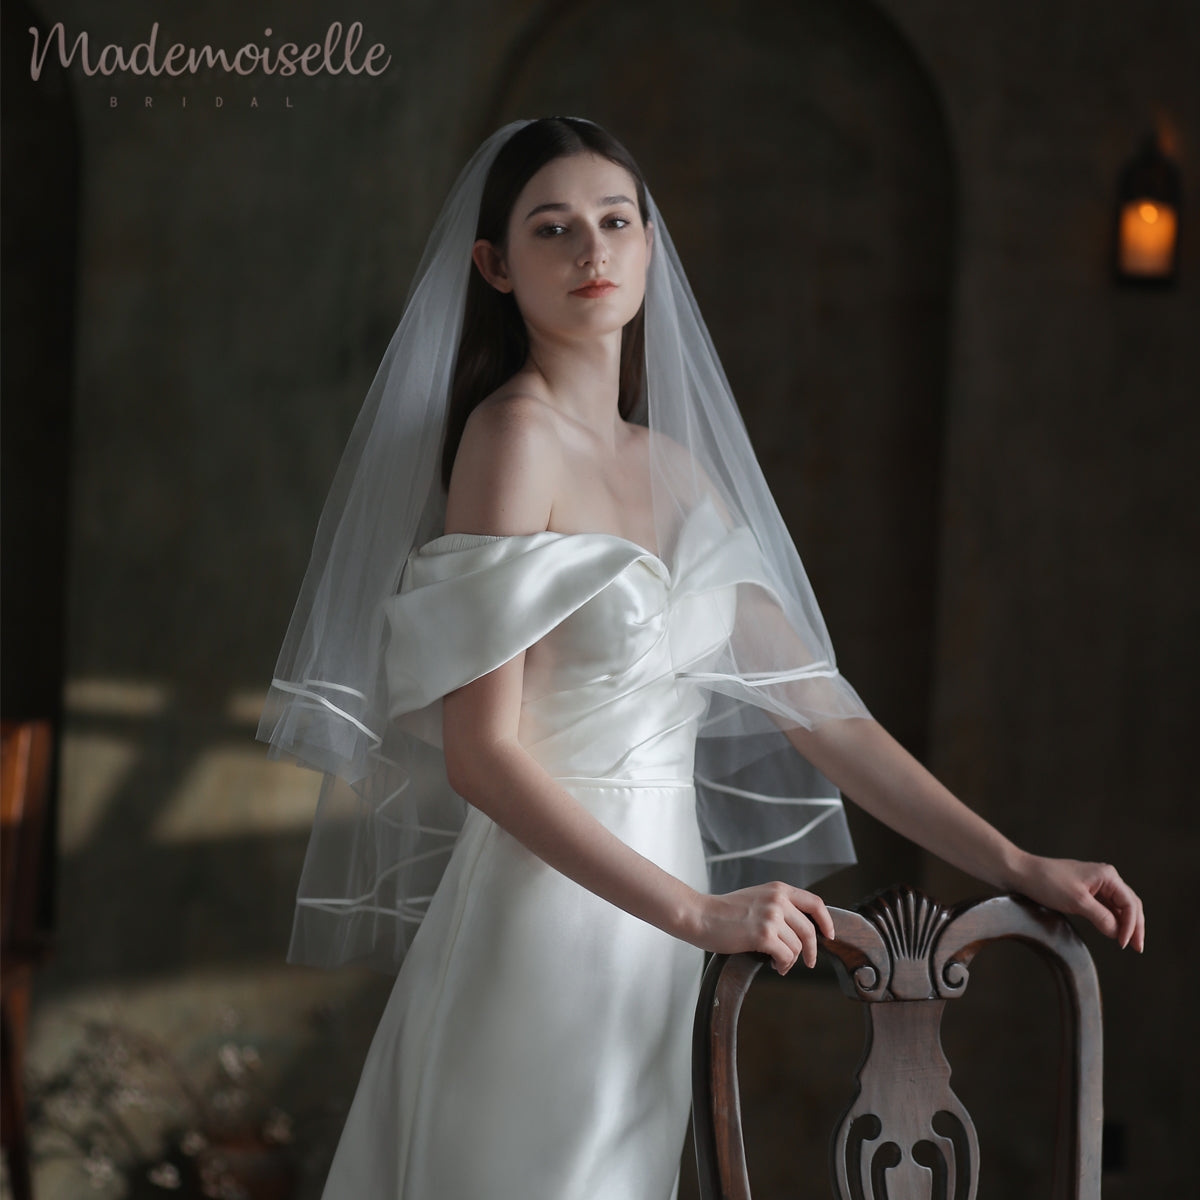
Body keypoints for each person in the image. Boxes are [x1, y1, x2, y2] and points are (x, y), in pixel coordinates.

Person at [258, 118, 1144, 1200]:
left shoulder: (675, 470)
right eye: (553, 228)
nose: (592, 251)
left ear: (647, 246)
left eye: (615, 221)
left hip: (653, 948)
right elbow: (480, 756)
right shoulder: (510, 439)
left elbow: (823, 715)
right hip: (543, 925)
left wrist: (1013, 864)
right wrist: (700, 912)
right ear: (495, 266)